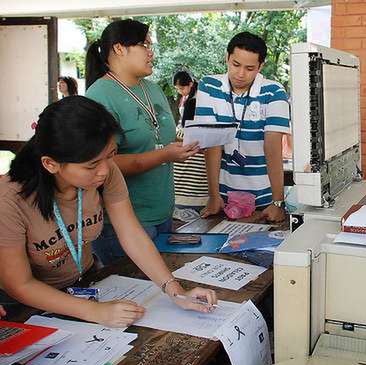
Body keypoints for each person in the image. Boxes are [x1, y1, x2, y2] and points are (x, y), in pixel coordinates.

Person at [0, 97, 217, 328]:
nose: (104, 170)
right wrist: (93, 311)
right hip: (24, 306)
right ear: (51, 164)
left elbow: (131, 234)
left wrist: (174, 290)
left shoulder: (105, 172)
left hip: (85, 284)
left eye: (111, 155)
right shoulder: (10, 199)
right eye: (91, 165)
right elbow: (19, 284)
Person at [84, 19, 199, 265]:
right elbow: (101, 166)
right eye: (144, 44)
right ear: (119, 49)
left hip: (164, 213)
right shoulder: (99, 96)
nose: (151, 52)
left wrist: (183, 144)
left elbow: (157, 138)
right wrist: (165, 155)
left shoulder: (153, 89)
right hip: (125, 222)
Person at [193, 32, 290, 222]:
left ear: (260, 66)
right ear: (227, 57)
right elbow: (212, 144)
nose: (240, 74)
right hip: (223, 198)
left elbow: (272, 147)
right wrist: (214, 196)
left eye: (250, 68)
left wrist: (277, 202)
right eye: (235, 64)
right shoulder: (209, 86)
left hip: (264, 199)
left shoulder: (273, 91)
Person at [173, 70, 209, 210]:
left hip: (191, 139)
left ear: (190, 84)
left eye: (182, 88)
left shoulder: (195, 101)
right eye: (177, 89)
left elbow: (186, 126)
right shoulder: (189, 98)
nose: (180, 91)